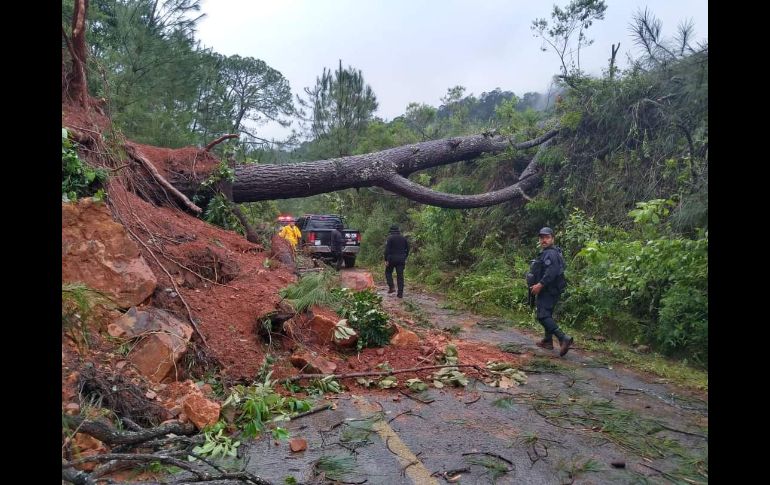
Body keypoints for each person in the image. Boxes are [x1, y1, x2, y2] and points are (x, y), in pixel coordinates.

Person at [528, 227, 574, 356]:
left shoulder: (551, 254)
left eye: (547, 237)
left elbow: (551, 272)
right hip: (550, 289)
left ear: (553, 239)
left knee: (542, 316)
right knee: (546, 313)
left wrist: (540, 285)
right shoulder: (548, 252)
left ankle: (563, 338)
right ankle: (548, 341)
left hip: (549, 289)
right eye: (542, 238)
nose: (544, 240)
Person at [384, 224, 409, 298]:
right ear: (398, 231)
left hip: (391, 259)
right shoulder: (403, 238)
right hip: (401, 259)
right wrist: (405, 257)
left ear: (391, 231)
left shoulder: (390, 238)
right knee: (400, 276)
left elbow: (387, 250)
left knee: (388, 272)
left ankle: (391, 287)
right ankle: (400, 294)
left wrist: (386, 259)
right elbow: (408, 249)